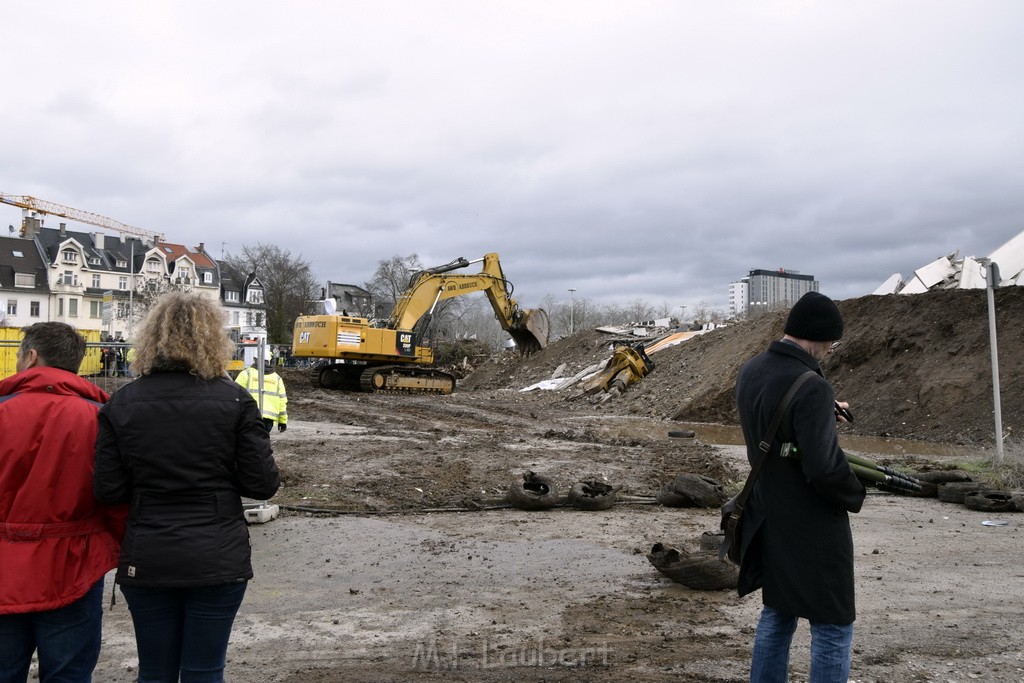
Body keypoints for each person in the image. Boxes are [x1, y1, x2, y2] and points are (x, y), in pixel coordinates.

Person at [93, 292, 280, 682]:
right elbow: (262, 485)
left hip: (147, 556)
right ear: (213, 338)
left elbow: (108, 490)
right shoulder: (235, 400)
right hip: (217, 559)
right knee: (204, 671)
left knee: (155, 671)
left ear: (150, 339)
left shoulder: (121, 404)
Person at [734, 292, 867, 683]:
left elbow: (774, 431)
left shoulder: (751, 369)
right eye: (833, 342)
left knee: (778, 613)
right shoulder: (812, 386)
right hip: (812, 524)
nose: (831, 350)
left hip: (768, 512)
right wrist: (854, 493)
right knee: (833, 624)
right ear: (819, 337)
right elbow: (824, 470)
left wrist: (819, 416)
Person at [0, 322, 126, 682]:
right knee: (68, 675)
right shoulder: (101, 417)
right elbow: (116, 496)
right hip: (74, 566)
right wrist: (122, 546)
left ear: (32, 356)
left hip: (4, 566)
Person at [235, 351, 288, 433]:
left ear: (254, 359)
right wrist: (282, 421)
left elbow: (234, 395)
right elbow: (282, 402)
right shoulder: (277, 379)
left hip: (249, 416)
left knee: (247, 442)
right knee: (261, 443)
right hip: (268, 420)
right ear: (269, 361)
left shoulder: (246, 374)